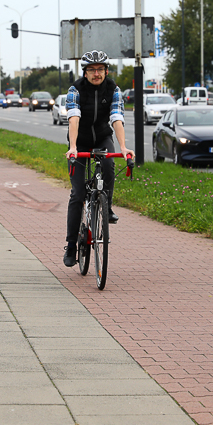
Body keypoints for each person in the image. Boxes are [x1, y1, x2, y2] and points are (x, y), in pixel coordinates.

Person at [63, 50, 134, 267]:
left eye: (100, 69)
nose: (96, 74)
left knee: (109, 165)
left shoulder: (114, 90)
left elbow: (117, 118)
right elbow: (74, 118)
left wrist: (122, 147)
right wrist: (73, 147)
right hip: (81, 141)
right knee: (77, 194)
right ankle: (72, 245)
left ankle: (107, 206)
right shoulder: (75, 90)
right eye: (92, 70)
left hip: (102, 138)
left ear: (106, 71)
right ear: (85, 72)